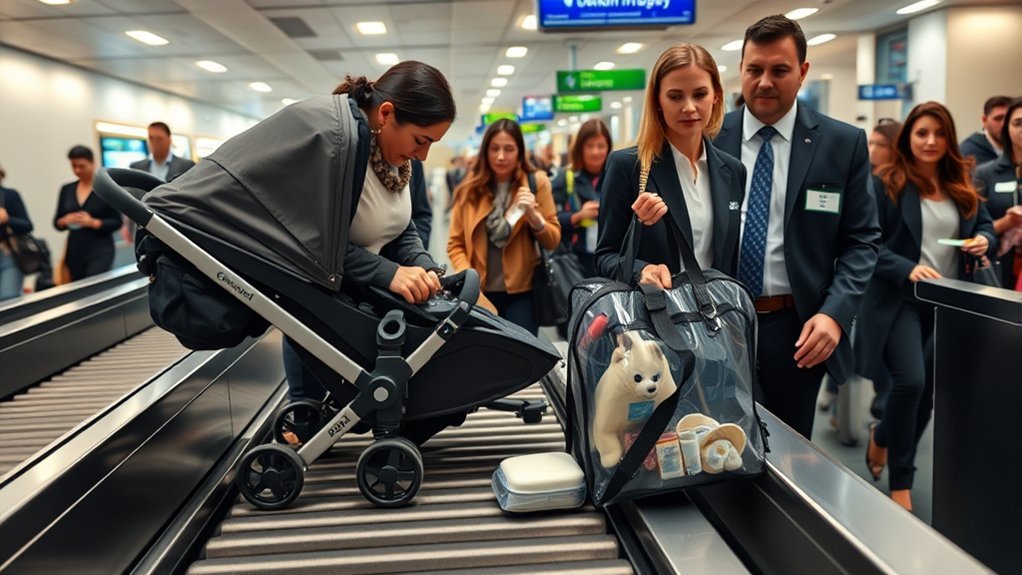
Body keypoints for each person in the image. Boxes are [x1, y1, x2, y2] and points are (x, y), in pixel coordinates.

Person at [712, 15, 880, 440]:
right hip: (717, 321)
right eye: (755, 69)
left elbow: (862, 241)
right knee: (716, 445)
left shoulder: (842, 144)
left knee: (788, 455)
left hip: (798, 329)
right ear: (741, 70)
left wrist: (835, 315)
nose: (765, 81)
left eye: (779, 70)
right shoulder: (709, 138)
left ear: (802, 72)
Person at [857, 101, 996, 512]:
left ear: (949, 139)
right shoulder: (887, 183)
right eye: (922, 133)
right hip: (901, 300)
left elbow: (983, 222)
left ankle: (884, 436)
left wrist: (984, 238)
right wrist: (906, 267)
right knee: (910, 384)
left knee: (927, 398)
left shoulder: (961, 183)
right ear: (909, 138)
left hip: (950, 305)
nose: (931, 141)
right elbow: (867, 244)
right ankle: (902, 479)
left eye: (938, 133)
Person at [596, 43, 747, 287]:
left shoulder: (732, 171)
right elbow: (605, 256)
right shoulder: (628, 167)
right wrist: (642, 270)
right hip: (655, 316)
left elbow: (728, 262)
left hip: (716, 316)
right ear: (658, 100)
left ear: (716, 95)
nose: (689, 107)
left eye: (699, 94)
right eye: (675, 96)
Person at [447, 119, 561, 335]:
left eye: (509, 149)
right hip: (479, 292)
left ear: (519, 151)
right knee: (486, 358)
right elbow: (456, 243)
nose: (501, 156)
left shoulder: (536, 184)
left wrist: (534, 217)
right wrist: (468, 279)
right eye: (494, 148)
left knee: (521, 356)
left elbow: (553, 240)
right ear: (485, 151)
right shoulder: (468, 190)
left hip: (523, 292)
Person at [551, 119, 612, 279]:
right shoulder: (565, 177)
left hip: (611, 260)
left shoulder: (617, 175)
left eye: (601, 146)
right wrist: (578, 216)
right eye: (590, 146)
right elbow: (550, 219)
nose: (595, 152)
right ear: (580, 148)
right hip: (575, 261)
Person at [973, 97, 1022, 289]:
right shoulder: (985, 173)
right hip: (998, 269)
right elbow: (974, 228)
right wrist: (1006, 223)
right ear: (1007, 129)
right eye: (1018, 123)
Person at [53, 145, 122, 281]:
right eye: (74, 166)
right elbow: (57, 222)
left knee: (94, 286)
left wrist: (93, 222)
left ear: (92, 163)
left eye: (82, 166)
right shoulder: (67, 189)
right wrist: (65, 221)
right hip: (75, 250)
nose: (77, 170)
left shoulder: (105, 188)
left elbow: (117, 221)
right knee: (78, 292)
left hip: (100, 248)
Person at [0, 163, 35, 301]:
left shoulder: (9, 196)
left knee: (9, 300)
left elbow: (27, 226)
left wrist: (7, 219)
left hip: (8, 254)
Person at [129, 122, 197, 182]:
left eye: (159, 138)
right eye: (151, 138)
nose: (154, 142)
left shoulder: (187, 167)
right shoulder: (135, 168)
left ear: (169, 140)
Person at [959, 96, 1011, 168]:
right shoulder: (968, 151)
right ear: (984, 120)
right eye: (998, 118)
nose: (1004, 124)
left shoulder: (1017, 147)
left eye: (1009, 118)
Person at [410, 160, 433, 247]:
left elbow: (422, 215)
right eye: (420, 144)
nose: (424, 157)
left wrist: (417, 251)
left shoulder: (414, 163)